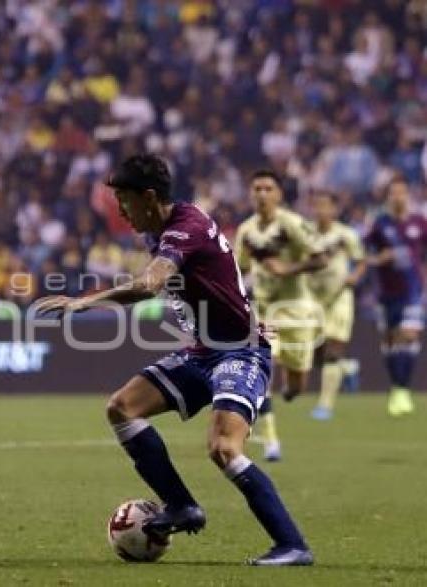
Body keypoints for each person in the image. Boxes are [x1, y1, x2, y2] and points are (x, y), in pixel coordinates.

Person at [35, 154, 313, 566]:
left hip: (240, 352)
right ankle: (181, 505)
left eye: (125, 202)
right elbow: (217, 281)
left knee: (223, 447)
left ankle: (293, 545)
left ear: (149, 197)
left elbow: (149, 285)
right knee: (122, 408)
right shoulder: (162, 231)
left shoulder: (187, 227)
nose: (122, 213)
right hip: (202, 351)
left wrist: (83, 302)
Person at [233, 170, 325, 461]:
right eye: (256, 188)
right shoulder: (246, 231)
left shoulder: (293, 224)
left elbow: (320, 259)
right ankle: (271, 440)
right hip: (264, 309)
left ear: (279, 194)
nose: (261, 194)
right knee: (262, 368)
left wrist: (288, 270)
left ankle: (290, 390)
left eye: (267, 188)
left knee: (297, 384)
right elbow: (241, 269)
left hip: (297, 308)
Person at [365, 177, 427, 416]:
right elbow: (365, 254)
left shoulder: (419, 223)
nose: (398, 197)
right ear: (388, 197)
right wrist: (381, 258)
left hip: (412, 290)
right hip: (385, 292)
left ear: (407, 196)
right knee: (390, 341)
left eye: (402, 192)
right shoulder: (379, 224)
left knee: (409, 335)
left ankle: (402, 389)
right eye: (394, 193)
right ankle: (396, 387)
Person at [306, 192, 367, 420]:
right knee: (315, 352)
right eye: (317, 206)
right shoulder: (306, 234)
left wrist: (355, 276)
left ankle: (325, 405)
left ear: (334, 210)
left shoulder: (346, 234)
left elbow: (361, 261)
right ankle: (347, 368)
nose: (321, 211)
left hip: (340, 297)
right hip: (313, 299)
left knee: (334, 348)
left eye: (325, 206)